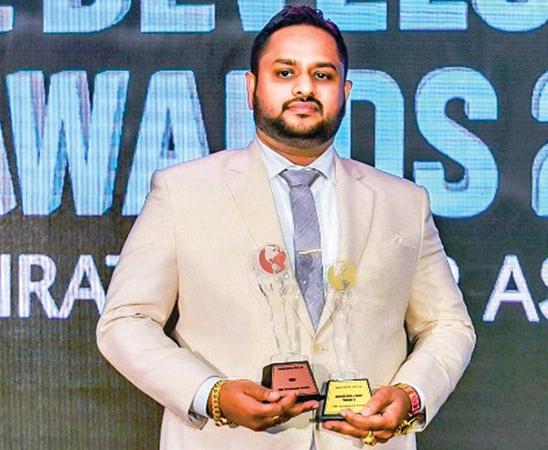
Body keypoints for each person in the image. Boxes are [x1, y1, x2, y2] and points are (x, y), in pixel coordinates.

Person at [96, 6, 475, 449]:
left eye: (323, 75)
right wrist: (212, 395)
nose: (303, 88)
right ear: (251, 88)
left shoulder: (403, 202)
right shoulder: (183, 192)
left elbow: (449, 325)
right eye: (284, 72)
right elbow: (126, 320)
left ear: (345, 91)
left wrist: (411, 397)